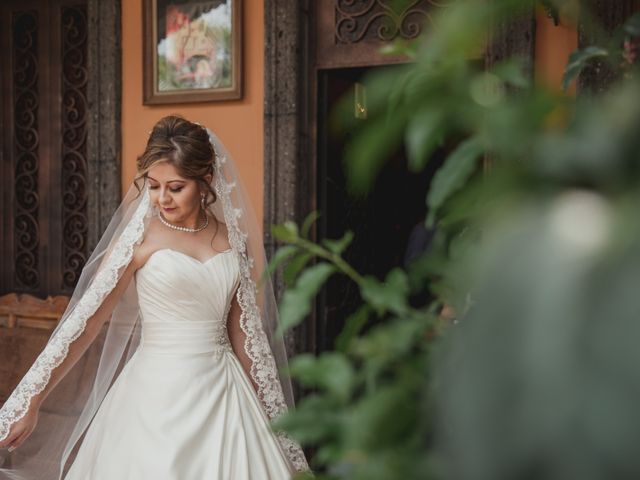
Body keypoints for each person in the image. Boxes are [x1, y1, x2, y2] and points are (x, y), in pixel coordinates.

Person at [0, 115, 311, 479]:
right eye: (153, 185)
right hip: (152, 398)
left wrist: (276, 422)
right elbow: (83, 323)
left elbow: (244, 334)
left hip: (226, 394)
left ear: (205, 181)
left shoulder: (232, 239)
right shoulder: (140, 238)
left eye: (175, 187)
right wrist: (30, 400)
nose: (162, 198)